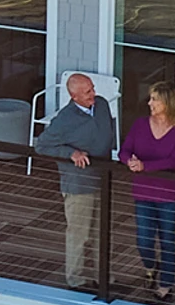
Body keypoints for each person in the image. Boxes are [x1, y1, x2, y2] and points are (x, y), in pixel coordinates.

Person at [32, 70, 118, 289]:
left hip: (103, 179)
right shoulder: (64, 120)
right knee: (79, 234)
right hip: (79, 185)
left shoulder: (101, 105)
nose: (93, 94)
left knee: (102, 232)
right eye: (87, 92)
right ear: (74, 97)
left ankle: (104, 279)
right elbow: (42, 145)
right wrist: (71, 154)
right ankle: (76, 280)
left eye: (92, 89)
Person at [120, 79, 175, 301]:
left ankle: (166, 284)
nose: (149, 102)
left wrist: (146, 166)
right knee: (143, 239)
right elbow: (124, 150)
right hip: (143, 191)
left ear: (168, 103)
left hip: (170, 194)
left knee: (167, 238)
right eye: (151, 98)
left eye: (155, 99)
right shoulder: (140, 124)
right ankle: (151, 266)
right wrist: (129, 161)